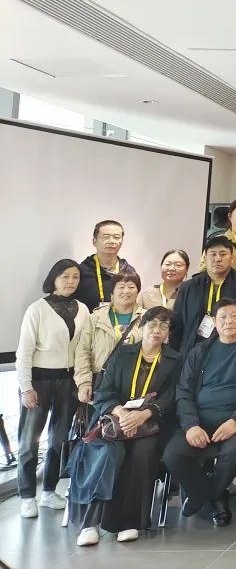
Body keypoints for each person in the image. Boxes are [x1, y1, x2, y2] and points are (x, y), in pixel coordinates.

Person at [68, 307, 180, 545]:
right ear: (142, 327)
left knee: (143, 452)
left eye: (163, 326)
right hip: (115, 421)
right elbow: (103, 392)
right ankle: (90, 523)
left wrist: (144, 415)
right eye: (152, 324)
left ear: (169, 333)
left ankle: (130, 522)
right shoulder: (122, 354)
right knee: (110, 453)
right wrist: (121, 413)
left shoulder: (175, 360)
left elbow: (172, 397)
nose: (157, 330)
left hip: (152, 424)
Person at [164, 298, 236, 527]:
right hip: (200, 419)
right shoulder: (199, 351)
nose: (228, 321)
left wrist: (235, 421)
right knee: (172, 454)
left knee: (235, 451)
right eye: (222, 317)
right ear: (214, 321)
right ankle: (211, 495)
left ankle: (205, 495)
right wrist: (191, 425)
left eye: (234, 316)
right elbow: (183, 390)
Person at [16, 259, 91, 518]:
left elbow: (83, 349)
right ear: (54, 279)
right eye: (65, 276)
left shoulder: (82, 309)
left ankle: (49, 491)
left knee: (59, 440)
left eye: (75, 277)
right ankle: (27, 495)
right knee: (29, 442)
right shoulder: (37, 309)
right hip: (38, 381)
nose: (71, 281)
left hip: (68, 382)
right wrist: (26, 387)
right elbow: (24, 352)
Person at [170, 236, 236, 362]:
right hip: (192, 353)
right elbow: (177, 325)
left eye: (223, 254)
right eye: (213, 254)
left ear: (232, 259)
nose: (218, 259)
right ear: (205, 258)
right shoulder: (189, 287)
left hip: (231, 354)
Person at [75, 272, 145, 404]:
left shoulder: (147, 319)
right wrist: (84, 382)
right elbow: (82, 351)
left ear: (138, 292)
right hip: (101, 383)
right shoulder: (95, 318)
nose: (126, 291)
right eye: (121, 287)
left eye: (131, 287)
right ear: (112, 292)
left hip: (135, 385)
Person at [74, 219, 138, 312]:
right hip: (90, 320)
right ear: (94, 241)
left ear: (122, 242)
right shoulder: (82, 271)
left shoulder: (129, 271)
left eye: (116, 237)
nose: (111, 241)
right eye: (105, 237)